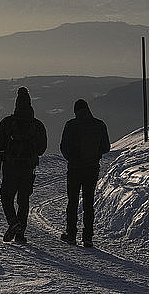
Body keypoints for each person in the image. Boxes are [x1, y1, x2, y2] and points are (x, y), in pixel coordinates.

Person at [0, 87, 47, 243]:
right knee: (23, 201)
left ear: (16, 104)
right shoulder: (37, 125)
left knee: (6, 197)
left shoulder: (8, 122)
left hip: (10, 167)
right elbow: (42, 149)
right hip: (28, 169)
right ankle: (20, 234)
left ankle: (13, 223)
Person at [59, 99, 110, 248]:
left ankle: (71, 235)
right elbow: (106, 147)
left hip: (75, 169)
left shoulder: (71, 125)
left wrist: (72, 158)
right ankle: (87, 237)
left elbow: (64, 147)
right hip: (92, 168)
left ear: (76, 111)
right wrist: (95, 154)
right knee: (88, 202)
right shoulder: (99, 125)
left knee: (73, 201)